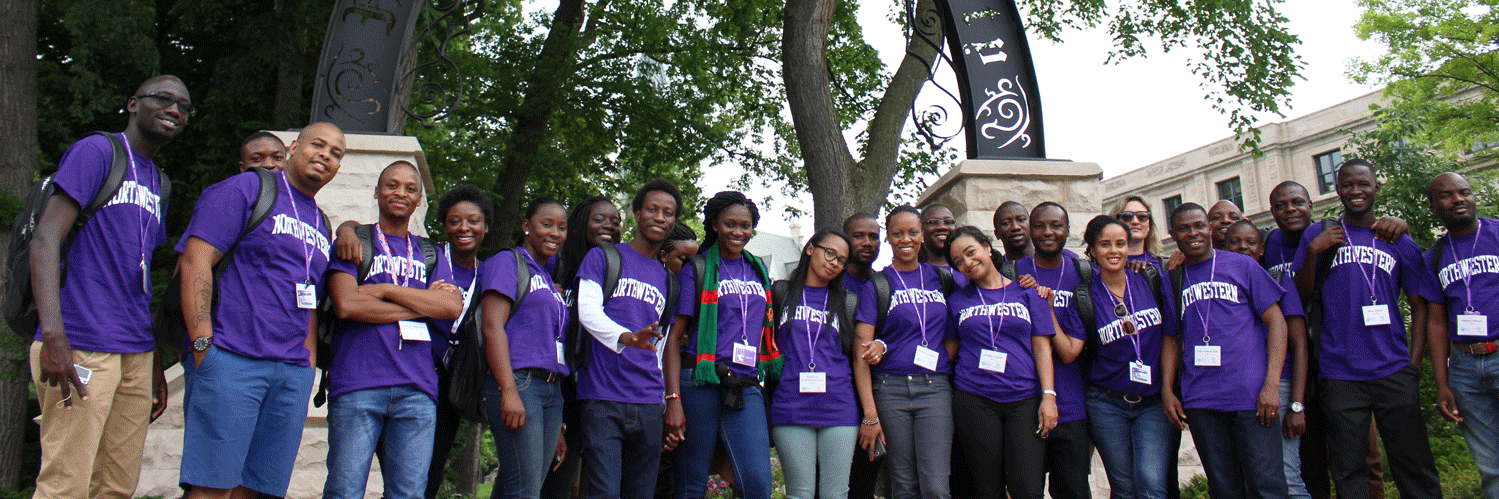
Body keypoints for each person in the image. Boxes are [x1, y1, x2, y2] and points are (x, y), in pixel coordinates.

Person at [29, 75, 185, 499]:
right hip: (80, 339)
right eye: (164, 99)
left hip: (134, 349)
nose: (174, 110)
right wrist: (54, 337)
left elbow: (139, 276)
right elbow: (45, 239)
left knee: (116, 485)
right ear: (134, 103)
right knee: (66, 481)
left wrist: (153, 363)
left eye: (183, 107)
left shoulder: (159, 182)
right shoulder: (98, 150)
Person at [177, 122, 342, 499]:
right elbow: (196, 261)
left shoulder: (321, 221)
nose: (326, 155)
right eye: (318, 145)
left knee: (258, 490)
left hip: (289, 373)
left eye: (335, 153)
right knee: (211, 487)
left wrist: (306, 369)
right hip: (233, 359)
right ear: (294, 148)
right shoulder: (247, 188)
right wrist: (203, 345)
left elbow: (310, 300)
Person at [1291, 159, 1441, 499]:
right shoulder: (1318, 235)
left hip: (1393, 370)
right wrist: (1314, 252)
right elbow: (1300, 296)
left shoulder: (1397, 238)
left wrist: (1413, 365)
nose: (1355, 191)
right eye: (1347, 185)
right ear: (1337, 189)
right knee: (1348, 472)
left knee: (1414, 466)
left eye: (1362, 184)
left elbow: (1420, 307)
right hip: (1340, 373)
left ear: (1376, 188)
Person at [322, 161, 463, 499]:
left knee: (409, 494)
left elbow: (450, 307)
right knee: (344, 491)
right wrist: (420, 305)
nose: (401, 192)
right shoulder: (354, 241)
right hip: (358, 384)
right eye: (392, 185)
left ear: (418, 200)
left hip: (417, 389)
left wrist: (384, 290)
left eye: (410, 189)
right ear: (377, 192)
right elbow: (348, 305)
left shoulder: (430, 252)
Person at [1263, 181, 1387, 499]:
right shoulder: (1267, 244)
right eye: (1281, 205)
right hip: (1296, 367)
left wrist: (1397, 222)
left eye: (1297, 202)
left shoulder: (1334, 233)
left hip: (1340, 360)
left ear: (1311, 204)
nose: (1290, 210)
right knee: (1310, 459)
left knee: (1363, 454)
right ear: (1272, 211)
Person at [1161, 202, 1289, 499]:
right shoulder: (1174, 278)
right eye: (1184, 228)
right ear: (1173, 235)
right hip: (1202, 399)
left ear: (1210, 228)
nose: (1193, 233)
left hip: (1251, 397)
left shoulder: (1241, 265)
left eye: (1199, 226)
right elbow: (1170, 338)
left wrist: (1271, 385)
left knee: (1266, 485)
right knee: (1224, 489)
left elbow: (1277, 323)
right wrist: (1168, 390)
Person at [666, 191, 777, 499]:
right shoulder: (698, 268)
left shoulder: (759, 271)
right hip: (699, 381)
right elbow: (675, 338)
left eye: (746, 225)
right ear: (715, 224)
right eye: (730, 224)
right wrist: (673, 397)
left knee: (756, 483)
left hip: (745, 382)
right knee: (692, 482)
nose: (738, 232)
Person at [575, 179, 681, 499]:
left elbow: (660, 344)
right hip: (603, 396)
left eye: (668, 213)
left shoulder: (669, 281)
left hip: (649, 401)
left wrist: (667, 400)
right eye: (652, 209)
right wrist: (626, 336)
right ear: (637, 214)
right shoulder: (604, 258)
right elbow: (587, 311)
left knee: (641, 493)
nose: (659, 217)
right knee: (603, 492)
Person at [1062, 216, 1178, 499]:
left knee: (1152, 484)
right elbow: (1069, 352)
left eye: (1120, 244)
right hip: (1106, 403)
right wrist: (1042, 308)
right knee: (1124, 488)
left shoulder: (1150, 279)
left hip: (1153, 402)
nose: (1114, 251)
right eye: (1105, 244)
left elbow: (1170, 337)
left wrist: (1168, 389)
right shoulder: (1084, 296)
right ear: (1091, 249)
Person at [945, 225, 1062, 499]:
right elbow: (949, 349)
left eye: (970, 252)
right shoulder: (956, 301)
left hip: (1024, 400)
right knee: (987, 488)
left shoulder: (1027, 293)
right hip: (974, 399)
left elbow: (1042, 348)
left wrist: (1049, 396)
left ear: (987, 247)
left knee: (1028, 487)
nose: (967, 263)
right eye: (958, 261)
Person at [854, 205, 953, 499]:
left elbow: (955, 333)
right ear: (889, 239)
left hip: (935, 389)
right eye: (898, 234)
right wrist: (870, 415)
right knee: (903, 484)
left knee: (936, 485)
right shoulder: (879, 284)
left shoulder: (944, 279)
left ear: (923, 235)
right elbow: (861, 353)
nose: (905, 239)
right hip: (890, 389)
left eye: (912, 232)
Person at [481, 197, 572, 499]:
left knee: (515, 486)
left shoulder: (547, 275)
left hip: (551, 390)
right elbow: (492, 327)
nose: (555, 233)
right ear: (526, 227)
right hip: (520, 383)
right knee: (525, 491)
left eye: (561, 227)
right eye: (546, 224)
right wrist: (509, 390)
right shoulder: (507, 262)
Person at [769, 230, 866, 499]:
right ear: (811, 248)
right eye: (830, 253)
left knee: (836, 493)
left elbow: (859, 355)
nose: (834, 263)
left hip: (839, 408)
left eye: (842, 260)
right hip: (791, 406)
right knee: (800, 493)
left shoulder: (847, 301)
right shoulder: (781, 292)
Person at [1425, 172, 1499, 499]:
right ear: (1433, 207)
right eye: (1447, 195)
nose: (1458, 199)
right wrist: (1443, 384)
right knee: (1491, 468)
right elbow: (1437, 322)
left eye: (1464, 192)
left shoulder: (1497, 234)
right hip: (1466, 370)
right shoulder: (1435, 256)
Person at [1224, 220, 1311, 499]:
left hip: (1279, 386)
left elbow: (1299, 345)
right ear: (1224, 248)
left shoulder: (1278, 281)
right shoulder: (1221, 284)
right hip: (1241, 389)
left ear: (1261, 249)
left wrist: (1296, 405)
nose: (1243, 247)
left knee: (1288, 477)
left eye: (1250, 242)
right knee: (1256, 477)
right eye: (1235, 242)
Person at [543, 195, 622, 499]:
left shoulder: (615, 269)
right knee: (534, 474)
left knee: (565, 479)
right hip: (550, 381)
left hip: (589, 386)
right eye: (600, 218)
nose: (609, 226)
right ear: (581, 223)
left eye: (615, 221)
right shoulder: (557, 263)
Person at [1013, 203, 1089, 499]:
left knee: (1072, 491)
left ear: (1068, 230)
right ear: (1030, 231)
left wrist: (1046, 310)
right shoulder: (1013, 272)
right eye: (1040, 226)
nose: (1048, 232)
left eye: (1056, 225)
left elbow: (1072, 351)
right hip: (1023, 402)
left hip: (1071, 404)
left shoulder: (1083, 273)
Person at [423, 185, 494, 499]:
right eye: (454, 221)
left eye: (473, 221)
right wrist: (345, 229)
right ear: (444, 226)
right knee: (404, 466)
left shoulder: (492, 273)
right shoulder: (428, 256)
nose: (464, 228)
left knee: (432, 469)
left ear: (486, 227)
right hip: (417, 370)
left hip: (455, 380)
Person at [839, 212, 885, 499]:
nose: (867, 242)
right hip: (836, 394)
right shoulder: (831, 281)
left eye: (873, 236)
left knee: (863, 482)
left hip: (875, 392)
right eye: (859, 236)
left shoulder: (884, 285)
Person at [1110, 195, 1162, 267]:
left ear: (1149, 225)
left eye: (1142, 216)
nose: (1135, 221)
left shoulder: (1163, 266)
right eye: (1127, 216)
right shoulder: (1101, 267)